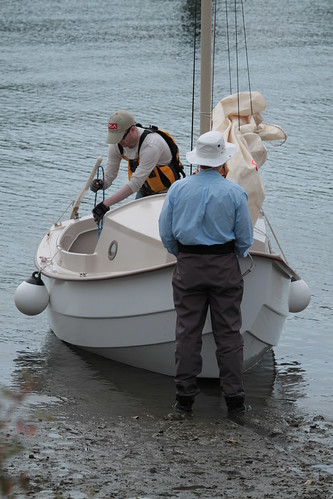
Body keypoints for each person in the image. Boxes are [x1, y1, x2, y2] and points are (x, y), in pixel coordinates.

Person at [158, 130, 254, 414]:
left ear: (197, 162)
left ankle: (184, 399)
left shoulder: (177, 189)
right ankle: (234, 400)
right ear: (224, 161)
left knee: (187, 332)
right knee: (229, 334)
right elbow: (244, 239)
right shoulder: (235, 192)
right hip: (224, 265)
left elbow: (166, 233)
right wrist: (230, 256)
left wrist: (183, 255)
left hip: (188, 265)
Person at [91, 110, 184, 224]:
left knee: (163, 225)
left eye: (121, 137)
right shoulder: (117, 144)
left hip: (167, 192)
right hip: (144, 190)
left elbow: (135, 184)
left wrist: (105, 204)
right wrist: (100, 183)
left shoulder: (151, 145)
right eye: (115, 138)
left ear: (133, 129)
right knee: (137, 224)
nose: (119, 142)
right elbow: (109, 176)